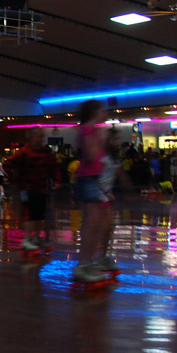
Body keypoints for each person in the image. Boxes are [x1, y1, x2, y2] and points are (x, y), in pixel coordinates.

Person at [72, 99, 114, 284]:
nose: (104, 112)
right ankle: (83, 265)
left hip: (94, 178)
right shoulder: (87, 130)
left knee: (95, 223)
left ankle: (87, 263)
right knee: (91, 223)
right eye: (101, 110)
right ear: (95, 111)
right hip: (88, 178)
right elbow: (90, 155)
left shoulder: (92, 130)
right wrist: (101, 139)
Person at [10, 128, 59, 252]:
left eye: (42, 136)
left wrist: (57, 180)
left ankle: (36, 237)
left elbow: (53, 166)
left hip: (41, 188)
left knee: (40, 215)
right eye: (39, 136)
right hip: (28, 188)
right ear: (32, 137)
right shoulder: (24, 152)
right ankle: (27, 239)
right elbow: (9, 164)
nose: (41, 139)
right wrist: (15, 181)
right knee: (30, 215)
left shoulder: (45, 153)